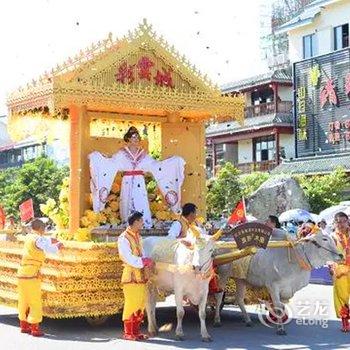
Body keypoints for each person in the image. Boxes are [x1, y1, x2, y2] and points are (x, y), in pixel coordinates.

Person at [89, 126, 185, 228]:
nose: (136, 139)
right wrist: (99, 158)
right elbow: (111, 163)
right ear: (128, 139)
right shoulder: (122, 154)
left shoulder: (143, 154)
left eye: (137, 137)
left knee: (140, 200)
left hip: (139, 181)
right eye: (133, 137)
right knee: (127, 201)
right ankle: (128, 223)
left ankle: (143, 223)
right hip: (127, 181)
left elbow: (155, 165)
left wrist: (171, 162)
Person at [17, 218, 63, 336]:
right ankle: (35, 328)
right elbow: (49, 248)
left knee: (23, 299)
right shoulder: (38, 238)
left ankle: (23, 325)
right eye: (44, 228)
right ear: (41, 228)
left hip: (22, 273)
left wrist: (52, 240)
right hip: (32, 273)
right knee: (34, 300)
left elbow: (45, 241)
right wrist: (59, 245)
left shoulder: (29, 237)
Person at [167, 203, 222, 294]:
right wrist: (182, 241)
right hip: (184, 254)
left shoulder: (196, 223)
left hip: (198, 250)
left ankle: (210, 287)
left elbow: (203, 237)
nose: (196, 215)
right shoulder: (178, 223)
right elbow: (170, 238)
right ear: (191, 213)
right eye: (195, 213)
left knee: (210, 259)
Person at [117, 211, 154, 341]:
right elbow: (126, 257)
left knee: (140, 303)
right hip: (130, 276)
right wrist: (142, 262)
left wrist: (146, 260)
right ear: (136, 222)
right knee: (132, 303)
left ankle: (136, 332)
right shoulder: (124, 238)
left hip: (140, 276)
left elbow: (141, 253)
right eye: (141, 221)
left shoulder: (138, 236)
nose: (143, 223)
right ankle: (128, 333)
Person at [329, 212, 350, 332]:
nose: (341, 224)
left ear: (347, 221)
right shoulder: (332, 237)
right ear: (335, 223)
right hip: (340, 270)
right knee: (342, 297)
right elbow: (328, 255)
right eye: (338, 221)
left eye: (343, 221)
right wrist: (331, 265)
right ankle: (345, 323)